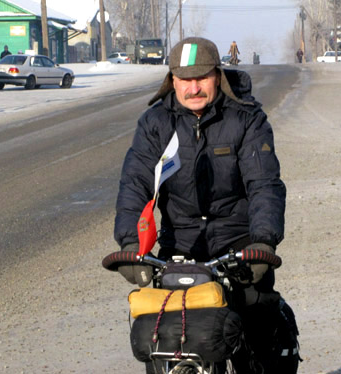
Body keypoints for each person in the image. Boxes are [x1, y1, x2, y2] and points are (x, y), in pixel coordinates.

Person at [114, 36, 299, 373]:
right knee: (163, 342)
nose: (193, 88)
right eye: (184, 79)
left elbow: (264, 184)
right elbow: (134, 183)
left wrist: (263, 241)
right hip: (179, 248)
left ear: (219, 76)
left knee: (258, 331)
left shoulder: (246, 118)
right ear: (172, 80)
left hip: (238, 246)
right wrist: (130, 244)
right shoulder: (155, 123)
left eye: (202, 78)